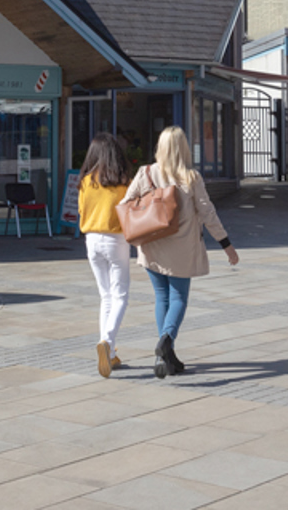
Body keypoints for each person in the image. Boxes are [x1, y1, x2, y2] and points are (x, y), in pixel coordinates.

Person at [123, 125, 238, 380]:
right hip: (182, 249)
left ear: (160, 148)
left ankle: (164, 355)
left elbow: (125, 204)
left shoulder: (146, 173)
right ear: (183, 148)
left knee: (161, 297)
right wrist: (226, 244)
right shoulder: (191, 178)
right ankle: (166, 340)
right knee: (178, 299)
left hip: (151, 246)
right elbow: (208, 213)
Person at [77, 132, 132, 378]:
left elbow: (81, 210)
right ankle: (107, 342)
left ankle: (108, 353)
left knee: (105, 296)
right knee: (120, 296)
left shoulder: (86, 181)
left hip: (91, 240)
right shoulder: (123, 182)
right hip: (116, 239)